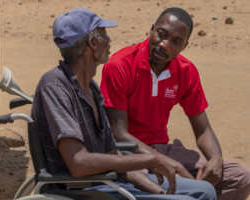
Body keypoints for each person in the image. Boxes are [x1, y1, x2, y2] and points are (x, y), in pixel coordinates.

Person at [31, 8, 216, 200]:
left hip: (111, 182)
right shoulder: (55, 86)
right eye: (104, 34)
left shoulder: (91, 89)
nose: (109, 40)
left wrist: (158, 190)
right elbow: (79, 163)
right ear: (93, 43)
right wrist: (151, 159)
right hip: (86, 190)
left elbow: (113, 156)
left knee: (205, 190)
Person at [100, 7, 250, 200]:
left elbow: (203, 129)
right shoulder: (120, 65)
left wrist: (216, 159)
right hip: (129, 152)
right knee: (151, 182)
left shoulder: (186, 71)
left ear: (184, 46)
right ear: (152, 29)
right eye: (161, 34)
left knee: (239, 178)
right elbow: (119, 134)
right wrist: (170, 164)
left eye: (176, 41)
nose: (164, 45)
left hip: (162, 148)